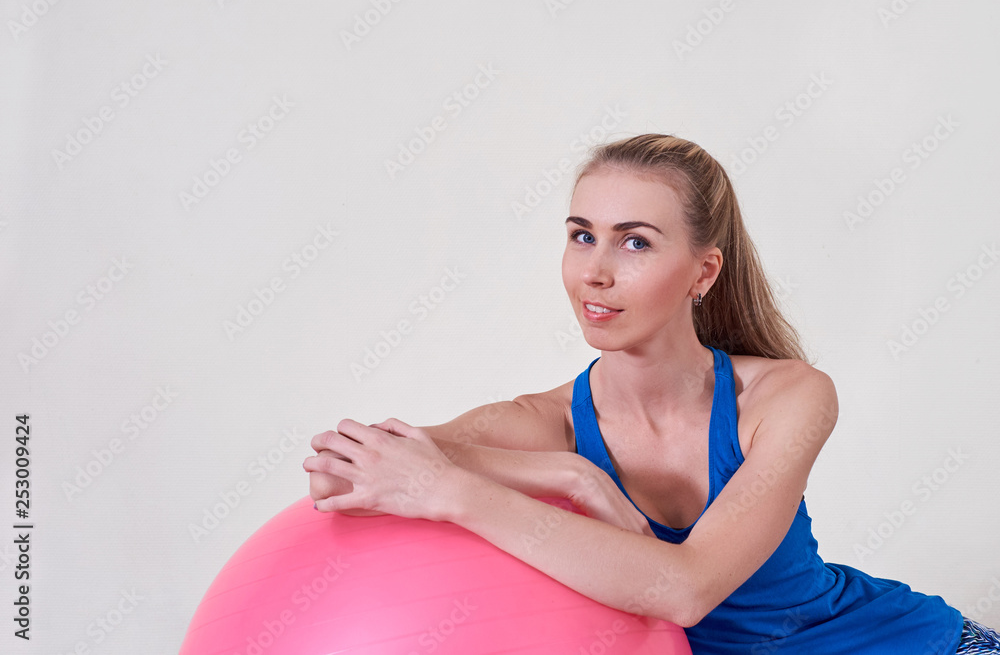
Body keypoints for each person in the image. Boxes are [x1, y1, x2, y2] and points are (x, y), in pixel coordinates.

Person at [302, 134, 999, 653]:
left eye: (634, 243)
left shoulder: (786, 396)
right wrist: (569, 472)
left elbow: (687, 588)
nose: (595, 272)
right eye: (583, 236)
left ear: (703, 271)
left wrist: (452, 488)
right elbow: (342, 468)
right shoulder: (546, 425)